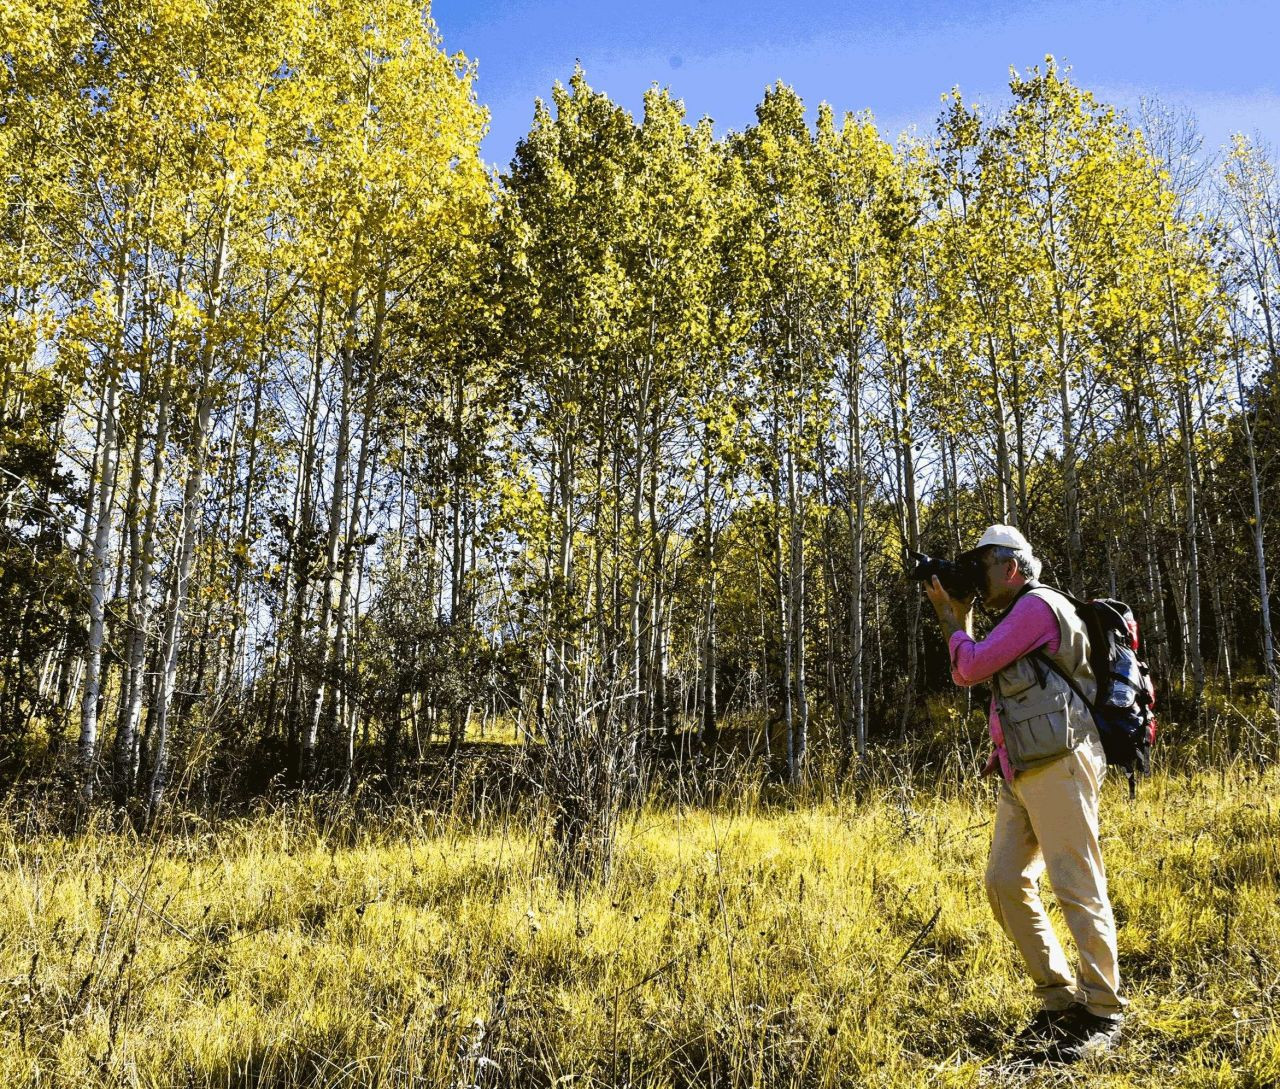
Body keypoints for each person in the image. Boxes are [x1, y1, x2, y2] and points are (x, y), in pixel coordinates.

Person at [924, 524, 1126, 1064]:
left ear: (1011, 567)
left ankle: (1104, 1011)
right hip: (1024, 768)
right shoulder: (1018, 615)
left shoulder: (1037, 610)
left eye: (983, 566)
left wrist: (954, 619)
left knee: (1076, 881)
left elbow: (969, 666)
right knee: (1005, 880)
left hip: (1060, 763)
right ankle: (1058, 999)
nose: (978, 578)